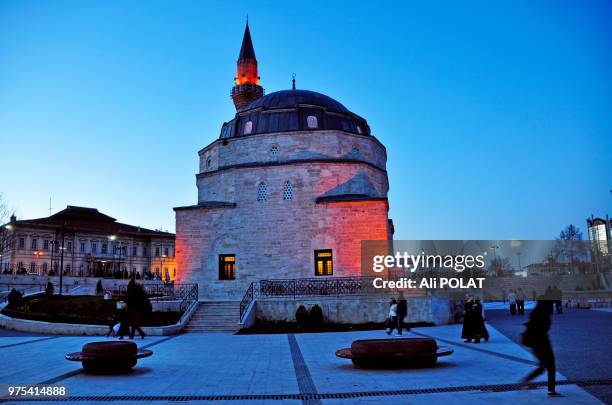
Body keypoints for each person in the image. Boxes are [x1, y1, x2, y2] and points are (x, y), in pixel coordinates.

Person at [521, 299, 558, 396]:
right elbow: (543, 329)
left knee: (543, 366)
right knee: (550, 366)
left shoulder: (535, 313)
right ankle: (551, 389)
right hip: (543, 342)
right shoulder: (544, 315)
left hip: (536, 343)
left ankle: (526, 380)